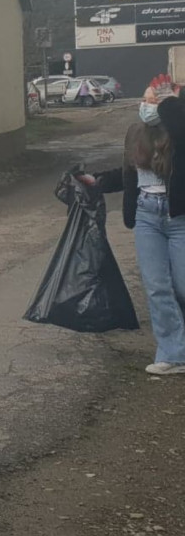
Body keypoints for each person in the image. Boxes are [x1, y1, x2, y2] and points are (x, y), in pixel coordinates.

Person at [83, 84, 185, 375]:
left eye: (155, 100)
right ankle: (173, 355)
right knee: (157, 287)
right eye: (146, 99)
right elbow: (128, 175)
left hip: (178, 218)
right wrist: (96, 180)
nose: (148, 104)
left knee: (182, 285)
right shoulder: (135, 133)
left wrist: (168, 108)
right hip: (146, 216)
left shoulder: (178, 132)